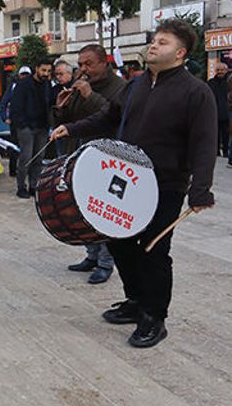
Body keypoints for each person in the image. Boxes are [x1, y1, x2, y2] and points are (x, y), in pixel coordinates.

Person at [51, 19, 216, 348]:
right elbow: (109, 117)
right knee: (119, 242)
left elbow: (205, 143)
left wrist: (201, 189)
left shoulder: (196, 91)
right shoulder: (136, 85)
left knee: (154, 251)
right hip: (126, 179)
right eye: (154, 40)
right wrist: (72, 128)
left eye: (164, 42)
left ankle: (155, 317)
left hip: (166, 185)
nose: (154, 45)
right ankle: (136, 300)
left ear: (181, 53)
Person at [52, 45, 127, 284]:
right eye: (81, 64)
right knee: (81, 209)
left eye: (89, 64)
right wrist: (61, 107)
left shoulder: (121, 87)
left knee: (102, 212)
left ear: (104, 62)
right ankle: (91, 255)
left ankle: (106, 262)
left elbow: (113, 118)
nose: (83, 69)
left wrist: (88, 95)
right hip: (79, 155)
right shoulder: (79, 85)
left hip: (107, 160)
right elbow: (69, 121)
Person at [10, 59, 52, 199]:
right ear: (36, 68)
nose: (46, 74)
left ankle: (34, 186)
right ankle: (21, 187)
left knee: (38, 158)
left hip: (42, 127)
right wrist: (22, 124)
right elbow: (15, 106)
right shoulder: (23, 85)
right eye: (43, 70)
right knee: (26, 158)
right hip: (27, 127)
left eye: (48, 71)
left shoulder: (47, 85)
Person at [0, 67, 32, 176]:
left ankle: (27, 169)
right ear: (19, 75)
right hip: (16, 122)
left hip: (29, 122)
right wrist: (5, 117)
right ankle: (13, 170)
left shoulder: (34, 87)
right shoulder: (13, 87)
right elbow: (3, 103)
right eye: (23, 75)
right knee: (14, 146)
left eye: (27, 75)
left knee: (28, 147)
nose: (25, 77)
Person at [208, 63, 230, 161]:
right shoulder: (211, 82)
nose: (220, 72)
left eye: (222, 70)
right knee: (214, 133)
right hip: (214, 112)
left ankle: (226, 151)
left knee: (226, 133)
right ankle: (215, 151)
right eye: (218, 70)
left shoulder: (229, 82)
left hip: (227, 112)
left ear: (226, 70)